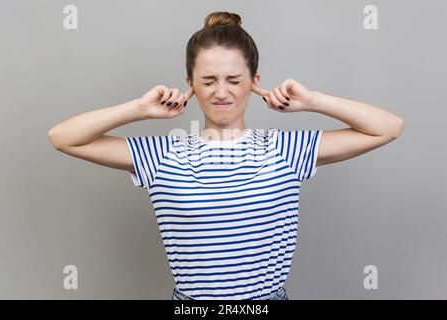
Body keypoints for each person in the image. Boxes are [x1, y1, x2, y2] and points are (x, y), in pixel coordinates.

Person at [47, 11, 404, 300]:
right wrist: (139, 108)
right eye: (208, 80)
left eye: (234, 79)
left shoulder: (286, 149)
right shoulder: (161, 154)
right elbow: (63, 137)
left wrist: (314, 101)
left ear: (254, 80)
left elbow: (387, 127)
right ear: (190, 84)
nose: (221, 92)